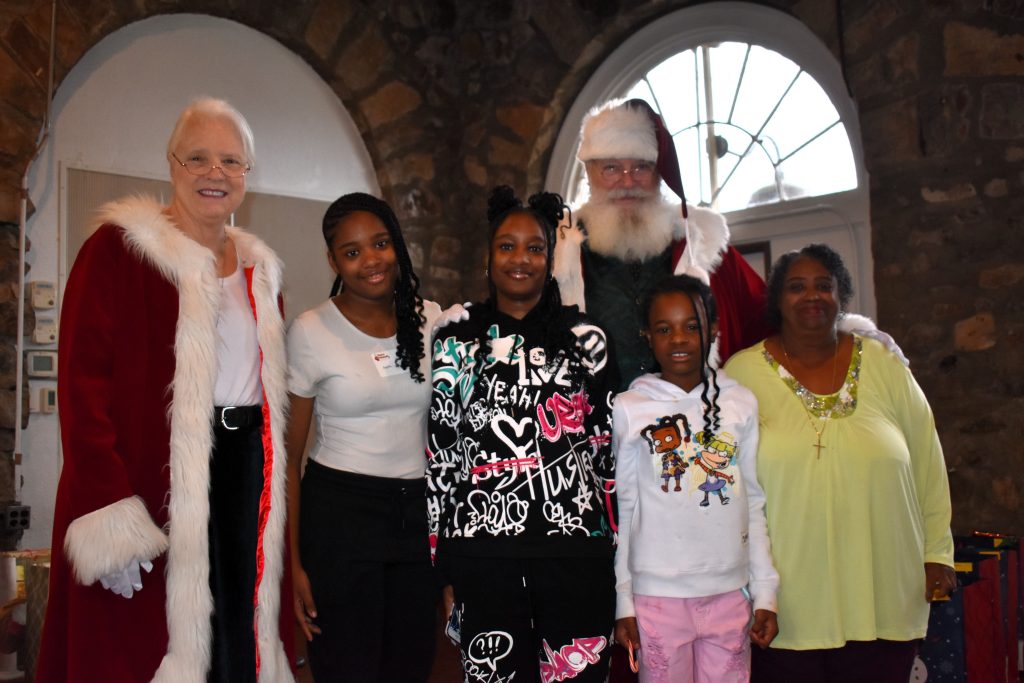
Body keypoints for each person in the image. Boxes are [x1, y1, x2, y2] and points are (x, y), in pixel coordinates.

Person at [37, 98, 293, 683]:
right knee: (143, 649)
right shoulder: (118, 250)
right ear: (172, 164)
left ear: (247, 174)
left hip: (243, 478)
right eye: (198, 157)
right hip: (153, 481)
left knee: (235, 642)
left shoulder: (262, 271)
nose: (215, 173)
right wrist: (107, 508)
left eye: (231, 161)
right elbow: (81, 388)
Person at [724, 244, 955, 683]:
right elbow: (719, 482)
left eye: (823, 286)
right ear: (777, 300)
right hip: (786, 601)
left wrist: (937, 552)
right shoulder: (741, 375)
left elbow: (928, 458)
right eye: (796, 287)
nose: (811, 296)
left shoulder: (887, 366)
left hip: (884, 586)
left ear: (841, 295)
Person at [427, 185, 618, 683]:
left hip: (575, 554)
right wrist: (442, 565)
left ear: (550, 259)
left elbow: (608, 457)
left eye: (535, 247)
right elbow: (443, 456)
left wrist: (619, 559)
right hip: (483, 557)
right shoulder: (456, 341)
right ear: (488, 258)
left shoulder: (587, 340)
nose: (521, 259)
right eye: (506, 246)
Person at [285, 192, 444, 682]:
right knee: (347, 669)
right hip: (339, 518)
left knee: (411, 667)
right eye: (352, 252)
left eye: (380, 244)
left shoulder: (432, 319)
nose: (370, 261)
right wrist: (292, 564)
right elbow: (289, 460)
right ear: (333, 261)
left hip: (417, 518)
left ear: (397, 244)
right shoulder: (310, 331)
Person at [613, 275, 779, 682]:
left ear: (714, 329)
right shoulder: (631, 408)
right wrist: (624, 602)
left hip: (729, 594)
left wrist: (766, 591)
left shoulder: (740, 402)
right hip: (659, 599)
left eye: (692, 326)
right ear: (647, 337)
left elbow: (753, 503)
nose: (680, 339)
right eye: (664, 329)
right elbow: (626, 509)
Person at [554, 97, 770, 389]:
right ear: (590, 173)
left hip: (691, 422)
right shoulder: (556, 250)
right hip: (592, 424)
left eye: (641, 167)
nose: (628, 182)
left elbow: (770, 318)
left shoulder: (702, 244)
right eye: (612, 169)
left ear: (659, 172)